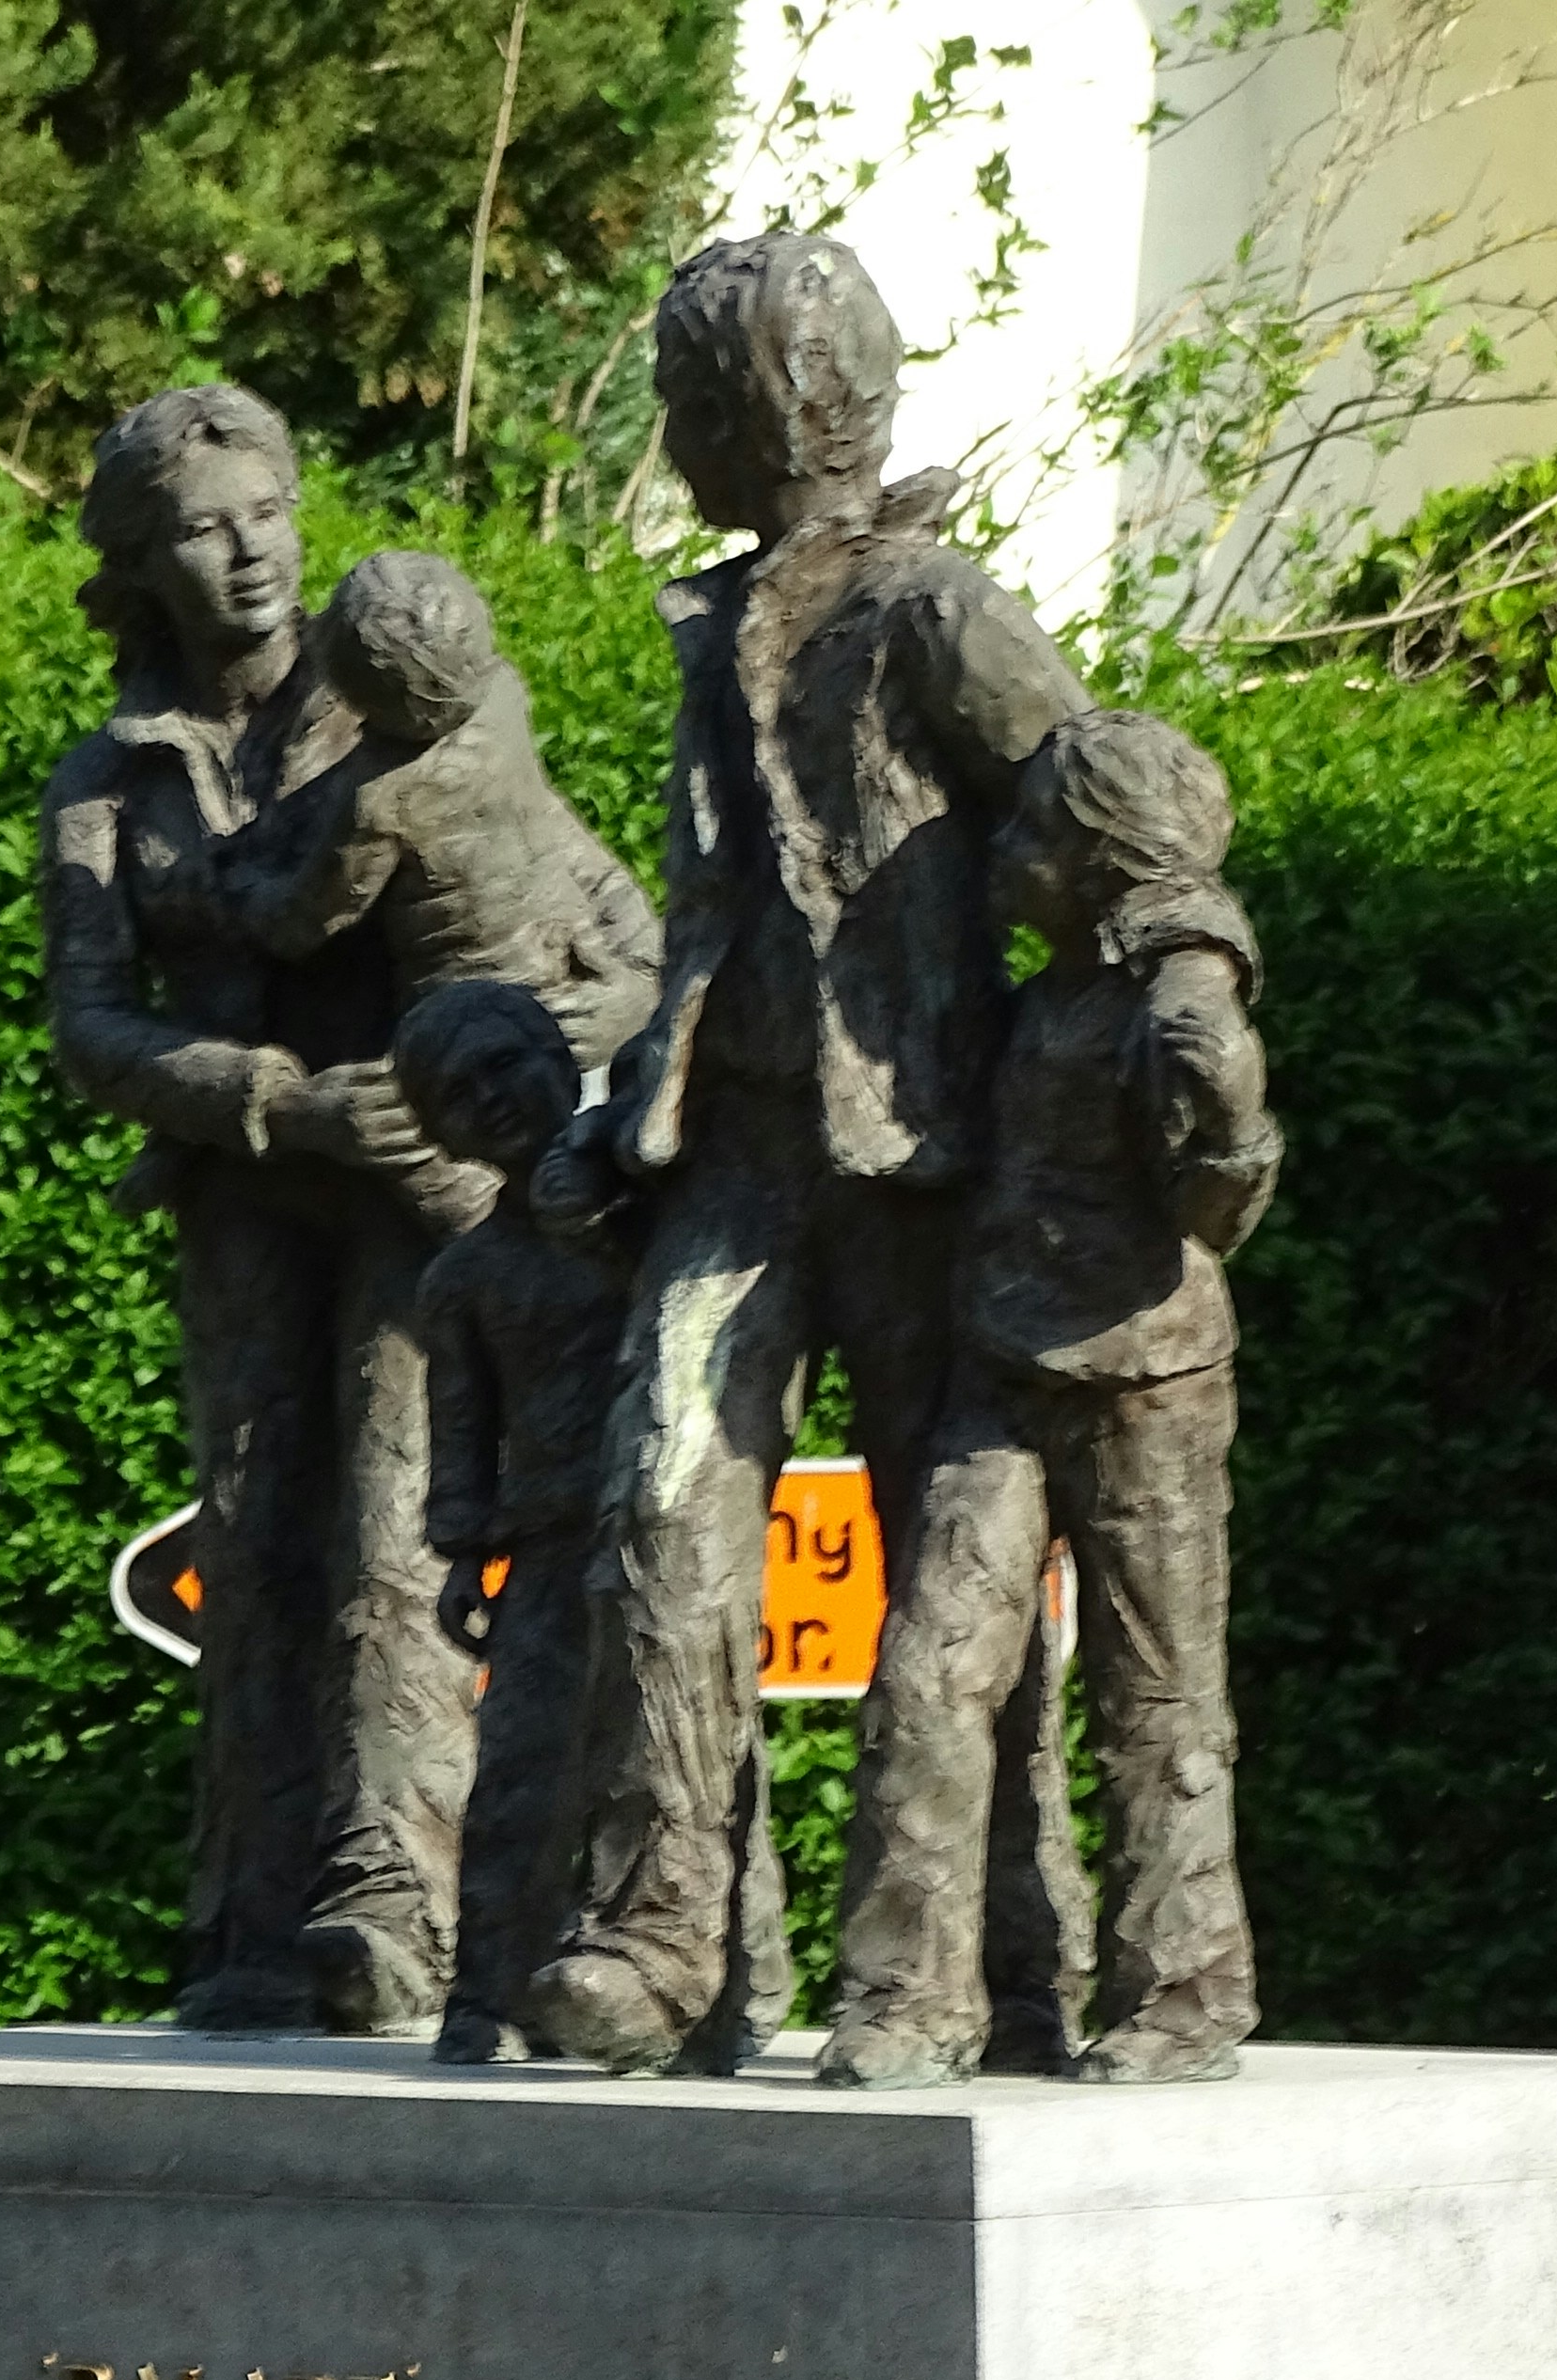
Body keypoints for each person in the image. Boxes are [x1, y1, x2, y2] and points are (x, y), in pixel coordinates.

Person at [509, 230, 1089, 2079]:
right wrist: (631, 1115)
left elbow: (1110, 817)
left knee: (955, 1583)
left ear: (767, 412)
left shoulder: (935, 613)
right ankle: (660, 1940)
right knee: (657, 1519)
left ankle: (1014, 1955)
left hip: (918, 1164)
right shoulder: (714, 620)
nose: (671, 434)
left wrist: (1132, 1075)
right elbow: (708, 918)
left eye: (685, 402)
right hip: (737, 1159)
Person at [38, 386, 480, 2037]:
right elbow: (91, 1022)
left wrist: (444, 1097)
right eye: (205, 534)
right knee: (255, 1534)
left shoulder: (389, 709)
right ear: (142, 566)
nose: (251, 559)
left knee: (392, 1526)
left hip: (409, 1192)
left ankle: (389, 1902)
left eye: (270, 517)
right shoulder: (107, 778)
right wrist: (270, 1097)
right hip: (242, 1197)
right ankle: (247, 1910)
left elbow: (534, 901)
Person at [822, 713, 1272, 2088]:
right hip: (1001, 1364)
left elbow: (1216, 1198)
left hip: (1146, 1381)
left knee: (1158, 1699)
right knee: (928, 1673)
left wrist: (1229, 1117)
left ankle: (1185, 1991)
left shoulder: (1176, 985)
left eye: (1030, 835)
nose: (1002, 857)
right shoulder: (1060, 987)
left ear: (1094, 858)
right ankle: (913, 1997)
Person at [385, 980, 779, 2061]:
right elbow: (461, 1428)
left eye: (506, 1066)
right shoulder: (463, 1277)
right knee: (521, 1775)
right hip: (550, 1550)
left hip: (667, 1533)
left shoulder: (655, 1222)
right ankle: (488, 1997)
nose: (494, 1100)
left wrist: (605, 1227)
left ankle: (730, 1994)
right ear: (441, 1136)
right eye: (459, 1097)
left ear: (560, 1063)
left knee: (697, 1755)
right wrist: (463, 1552)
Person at [208, 552, 656, 1072]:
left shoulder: (379, 802)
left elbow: (306, 920)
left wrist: (241, 885)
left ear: (354, 686)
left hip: (481, 1020)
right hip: (578, 954)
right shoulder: (504, 699)